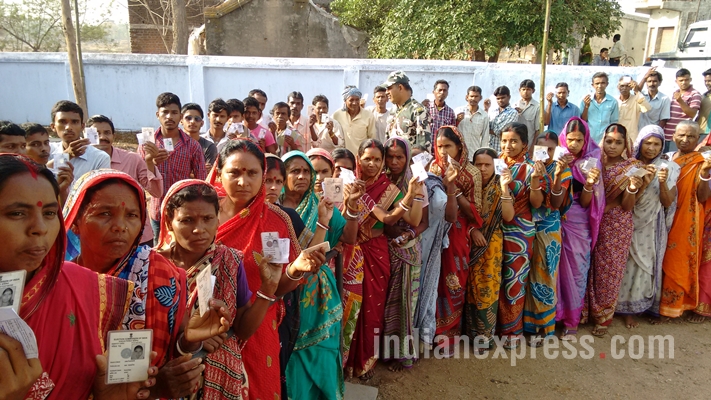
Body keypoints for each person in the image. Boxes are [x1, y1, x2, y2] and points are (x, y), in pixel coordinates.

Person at [0, 153, 157, 400]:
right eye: (18, 213)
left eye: (50, 213)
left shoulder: (85, 287)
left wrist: (106, 396)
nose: (40, 228)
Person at [62, 170, 221, 398]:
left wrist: (188, 342)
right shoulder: (57, 281)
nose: (120, 226)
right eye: (105, 213)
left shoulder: (161, 275)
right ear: (75, 220)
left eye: (132, 215)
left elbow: (176, 352)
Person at [209, 140, 326, 400]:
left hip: (260, 322)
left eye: (252, 173)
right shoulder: (203, 214)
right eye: (234, 173)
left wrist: (295, 270)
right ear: (219, 173)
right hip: (206, 328)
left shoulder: (275, 220)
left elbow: (278, 286)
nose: (243, 182)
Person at [156, 180, 283, 398]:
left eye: (207, 219)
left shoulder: (229, 261)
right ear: (169, 222)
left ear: (217, 221)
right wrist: (192, 338)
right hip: (166, 380)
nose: (199, 229)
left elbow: (243, 330)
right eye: (187, 220)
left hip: (223, 378)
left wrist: (268, 288)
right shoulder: (151, 267)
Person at [280, 151, 359, 399]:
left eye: (306, 171)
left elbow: (349, 237)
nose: (302, 176)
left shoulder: (319, 205)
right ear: (282, 175)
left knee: (320, 348)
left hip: (316, 291)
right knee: (289, 351)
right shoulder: (273, 205)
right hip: (281, 286)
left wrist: (352, 205)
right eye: (294, 171)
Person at [345, 138, 423, 380]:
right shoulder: (349, 184)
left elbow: (388, 219)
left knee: (372, 307)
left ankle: (366, 361)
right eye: (367, 158)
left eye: (377, 159)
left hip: (377, 251)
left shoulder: (390, 189)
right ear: (358, 159)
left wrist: (410, 195)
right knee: (350, 306)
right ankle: (345, 361)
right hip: (352, 249)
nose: (372, 163)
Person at [582, 123, 644, 337]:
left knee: (609, 270)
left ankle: (603, 317)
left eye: (618, 142)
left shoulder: (633, 167)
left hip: (616, 224)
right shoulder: (593, 162)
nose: (612, 146)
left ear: (625, 144)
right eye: (609, 141)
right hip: (589, 221)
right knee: (587, 266)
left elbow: (628, 205)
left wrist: (632, 188)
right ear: (603, 141)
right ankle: (586, 311)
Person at [617, 125, 679, 326]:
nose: (651, 148)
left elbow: (668, 202)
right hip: (628, 220)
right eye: (647, 143)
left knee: (644, 266)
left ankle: (636, 308)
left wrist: (661, 183)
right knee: (625, 263)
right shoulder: (630, 166)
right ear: (640, 144)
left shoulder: (667, 168)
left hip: (651, 224)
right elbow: (623, 199)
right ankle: (620, 306)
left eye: (656, 144)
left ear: (662, 146)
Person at [430, 126, 483, 354]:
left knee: (453, 279)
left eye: (448, 146)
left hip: (458, 231)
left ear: (459, 146)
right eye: (439, 146)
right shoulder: (433, 167)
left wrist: (455, 190)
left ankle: (449, 334)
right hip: (434, 228)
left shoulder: (472, 173)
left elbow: (476, 212)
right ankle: (431, 330)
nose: (443, 152)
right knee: (434, 278)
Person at [496, 123, 545, 348]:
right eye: (504, 141)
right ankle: (491, 327)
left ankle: (512, 331)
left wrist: (535, 180)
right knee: (494, 278)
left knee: (514, 281)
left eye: (513, 141)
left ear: (525, 144)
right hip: (495, 229)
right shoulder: (496, 162)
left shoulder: (531, 168)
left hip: (520, 230)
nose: (508, 145)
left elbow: (537, 203)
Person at [263, 154, 308, 398]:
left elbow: (303, 255)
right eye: (267, 179)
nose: (272, 187)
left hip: (280, 301)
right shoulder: (230, 217)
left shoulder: (286, 217)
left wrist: (323, 220)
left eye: (278, 181)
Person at [555, 117, 604, 340]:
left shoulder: (592, 161)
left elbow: (586, 202)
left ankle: (571, 320)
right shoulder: (556, 157)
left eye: (578, 140)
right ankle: (553, 316)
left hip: (578, 223)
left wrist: (589, 184)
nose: (573, 144)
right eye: (570, 139)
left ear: (586, 140)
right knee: (552, 270)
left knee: (576, 271)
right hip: (554, 219)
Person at [382, 137, 429, 370]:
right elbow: (380, 219)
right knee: (385, 304)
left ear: (407, 157)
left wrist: (409, 235)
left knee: (405, 304)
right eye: (390, 156)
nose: (394, 161)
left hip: (408, 251)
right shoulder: (380, 182)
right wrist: (390, 229)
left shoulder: (417, 182)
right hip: (384, 249)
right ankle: (383, 353)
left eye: (399, 156)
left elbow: (423, 222)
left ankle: (402, 354)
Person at [138, 92, 207, 244]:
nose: (169, 117)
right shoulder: (147, 144)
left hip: (183, 211)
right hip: (157, 211)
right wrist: (151, 163)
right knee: (158, 251)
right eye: (165, 112)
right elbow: (140, 181)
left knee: (183, 248)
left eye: (174, 112)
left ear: (180, 116)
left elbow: (201, 180)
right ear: (158, 115)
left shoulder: (192, 145)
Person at [463, 147, 514, 351]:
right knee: (470, 288)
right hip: (468, 243)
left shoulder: (500, 185)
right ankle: (470, 333)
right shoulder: (468, 186)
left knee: (487, 290)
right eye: (478, 164)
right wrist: (472, 231)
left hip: (491, 246)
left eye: (487, 165)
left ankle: (485, 338)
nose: (483, 169)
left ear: (495, 166)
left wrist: (504, 188)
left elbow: (508, 216)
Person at [659, 121, 711, 321]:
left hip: (686, 219)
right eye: (681, 135)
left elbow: (703, 196)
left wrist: (705, 173)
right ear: (673, 136)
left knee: (677, 259)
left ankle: (673, 307)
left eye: (691, 137)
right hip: (663, 216)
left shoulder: (701, 162)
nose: (685, 140)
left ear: (698, 139)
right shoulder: (666, 159)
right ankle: (656, 304)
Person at [523, 131, 572, 342]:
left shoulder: (562, 170)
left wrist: (557, 176)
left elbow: (557, 203)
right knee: (524, 274)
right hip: (524, 225)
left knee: (545, 273)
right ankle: (524, 323)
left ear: (556, 150)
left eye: (550, 149)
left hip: (549, 227)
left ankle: (543, 326)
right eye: (541, 149)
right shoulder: (526, 166)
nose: (545, 153)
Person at [87, 114, 163, 247]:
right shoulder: (80, 162)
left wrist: (149, 161)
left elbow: (156, 192)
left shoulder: (132, 159)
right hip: (98, 234)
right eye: (97, 133)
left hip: (137, 236)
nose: (102, 137)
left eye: (107, 133)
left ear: (113, 136)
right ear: (87, 135)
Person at [410, 144, 455, 353]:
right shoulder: (402, 184)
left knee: (427, 289)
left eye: (422, 157)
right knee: (409, 291)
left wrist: (450, 185)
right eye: (413, 158)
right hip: (410, 243)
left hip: (432, 243)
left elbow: (448, 215)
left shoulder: (436, 183)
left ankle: (421, 340)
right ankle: (404, 341)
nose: (417, 162)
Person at [329, 148, 367, 369]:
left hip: (351, 265)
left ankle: (340, 370)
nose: (342, 175)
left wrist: (351, 202)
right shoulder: (321, 197)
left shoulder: (359, 197)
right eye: (337, 169)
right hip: (327, 264)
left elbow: (351, 235)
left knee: (347, 320)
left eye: (348, 170)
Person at [49, 100, 111, 184]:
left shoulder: (100, 158)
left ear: (82, 126)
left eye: (74, 122)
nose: (68, 127)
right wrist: (66, 155)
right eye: (63, 122)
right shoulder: (46, 151)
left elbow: (99, 192)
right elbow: (38, 179)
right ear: (53, 127)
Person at [382, 71, 431, 149]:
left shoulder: (417, 110)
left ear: (400, 87)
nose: (386, 92)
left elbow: (423, 148)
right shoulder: (393, 111)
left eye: (389, 88)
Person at [664, 69, 703, 152]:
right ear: (676, 81)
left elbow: (693, 113)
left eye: (686, 80)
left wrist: (680, 101)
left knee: (677, 161)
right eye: (681, 80)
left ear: (690, 80)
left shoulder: (695, 94)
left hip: (682, 137)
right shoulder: (675, 92)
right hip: (668, 134)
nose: (684, 82)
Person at [333, 86, 377, 155]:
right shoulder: (337, 115)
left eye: (357, 100)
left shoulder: (368, 115)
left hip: (361, 157)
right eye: (351, 100)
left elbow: (371, 138)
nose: (354, 103)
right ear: (345, 101)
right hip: (342, 157)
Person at [581, 72, 620, 143]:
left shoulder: (613, 102)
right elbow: (583, 120)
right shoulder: (586, 100)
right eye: (597, 83)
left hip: (605, 139)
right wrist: (586, 106)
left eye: (603, 83)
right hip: (589, 138)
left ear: (607, 84)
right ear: (593, 85)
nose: (600, 86)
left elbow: (614, 122)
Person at [181, 103, 218, 171]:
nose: (192, 122)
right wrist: (198, 170)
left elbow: (207, 174)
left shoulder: (209, 146)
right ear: (181, 121)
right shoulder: (173, 144)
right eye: (188, 118)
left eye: (197, 119)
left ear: (202, 123)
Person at [616, 75, 651, 143]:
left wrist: (637, 91)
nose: (624, 88)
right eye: (622, 86)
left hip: (631, 138)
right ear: (618, 87)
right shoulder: (614, 101)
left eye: (627, 86)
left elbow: (647, 108)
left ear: (631, 87)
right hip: (616, 137)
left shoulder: (636, 99)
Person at [636, 68, 671, 133]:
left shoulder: (664, 99)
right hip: (638, 133)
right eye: (649, 81)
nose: (652, 84)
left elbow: (663, 120)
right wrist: (644, 78)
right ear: (646, 83)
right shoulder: (641, 95)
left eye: (655, 81)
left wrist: (656, 133)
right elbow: (636, 91)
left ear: (659, 82)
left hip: (653, 133)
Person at [456, 86, 490, 153]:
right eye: (471, 96)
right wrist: (457, 120)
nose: (473, 99)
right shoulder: (458, 111)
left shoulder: (484, 115)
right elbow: (452, 130)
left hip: (474, 153)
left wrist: (482, 154)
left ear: (480, 98)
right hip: (459, 153)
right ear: (467, 97)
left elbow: (485, 137)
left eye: (476, 96)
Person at [488, 86, 519, 152]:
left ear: (509, 97)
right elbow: (484, 126)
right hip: (489, 148)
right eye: (498, 98)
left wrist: (488, 130)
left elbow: (501, 132)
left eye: (503, 98)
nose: (500, 100)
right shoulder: (492, 111)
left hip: (502, 150)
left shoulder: (513, 112)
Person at [516, 79, 541, 145]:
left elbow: (537, 130)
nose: (525, 92)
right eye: (523, 89)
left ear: (533, 91)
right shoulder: (515, 105)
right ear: (519, 90)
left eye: (528, 89)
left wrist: (532, 147)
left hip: (529, 144)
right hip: (516, 144)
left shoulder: (537, 107)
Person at [698, 68, 711, 136]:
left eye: (709, 81)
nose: (707, 83)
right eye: (705, 81)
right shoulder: (703, 96)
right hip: (701, 132)